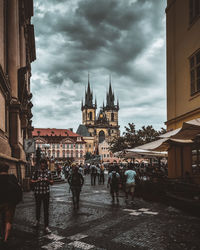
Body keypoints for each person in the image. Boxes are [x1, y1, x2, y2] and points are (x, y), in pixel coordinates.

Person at [0, 163, 22, 243]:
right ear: (7, 169)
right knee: (8, 221)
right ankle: (5, 238)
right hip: (10, 202)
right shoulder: (12, 177)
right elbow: (19, 188)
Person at [31, 159, 53, 234]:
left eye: (44, 164)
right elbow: (32, 181)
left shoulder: (49, 172)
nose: (43, 165)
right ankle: (37, 221)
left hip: (46, 193)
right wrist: (37, 181)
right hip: (37, 193)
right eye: (41, 164)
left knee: (46, 210)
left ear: (45, 165)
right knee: (38, 208)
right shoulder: (36, 172)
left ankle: (46, 226)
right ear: (40, 165)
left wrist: (47, 181)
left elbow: (52, 182)